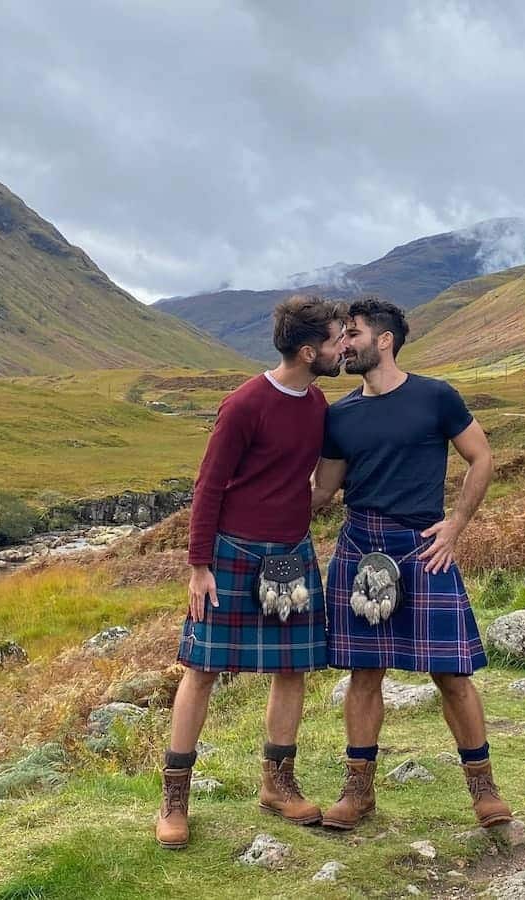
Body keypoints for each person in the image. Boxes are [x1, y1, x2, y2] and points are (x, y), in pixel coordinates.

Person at [310, 296, 511, 831]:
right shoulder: (340, 414)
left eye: (351, 334)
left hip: (423, 547)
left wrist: (456, 526)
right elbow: (323, 492)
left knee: (452, 673)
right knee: (364, 671)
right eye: (342, 336)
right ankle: (358, 793)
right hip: (359, 547)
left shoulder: (436, 397)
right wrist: (249, 505)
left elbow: (481, 457)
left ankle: (483, 789)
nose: (343, 344)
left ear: (384, 340)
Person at [155, 296, 345, 850]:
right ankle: (174, 800)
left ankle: (277, 784)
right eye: (335, 341)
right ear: (309, 351)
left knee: (293, 668)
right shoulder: (244, 404)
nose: (342, 349)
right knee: (202, 668)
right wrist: (198, 566)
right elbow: (208, 486)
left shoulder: (316, 402)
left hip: (290, 552)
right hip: (232, 554)